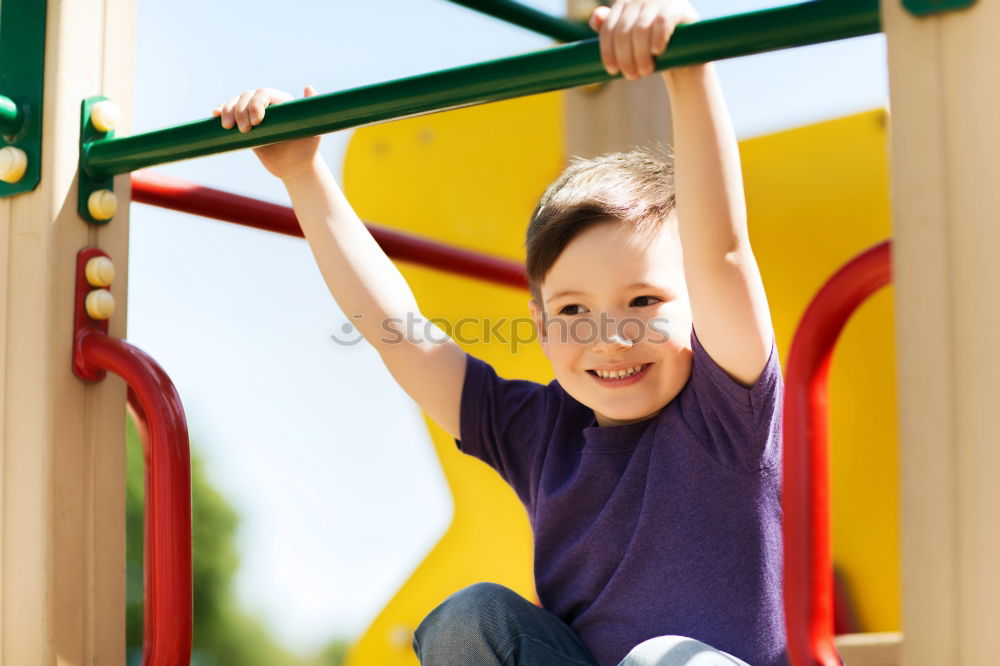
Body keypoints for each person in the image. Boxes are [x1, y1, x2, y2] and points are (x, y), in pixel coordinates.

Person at [214, 1, 789, 664]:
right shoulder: (540, 435)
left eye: (643, 299)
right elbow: (398, 333)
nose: (608, 336)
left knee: (660, 659)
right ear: (540, 327)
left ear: (698, 307)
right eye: (573, 312)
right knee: (469, 619)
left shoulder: (729, 411)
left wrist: (689, 72)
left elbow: (721, 253)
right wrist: (303, 177)